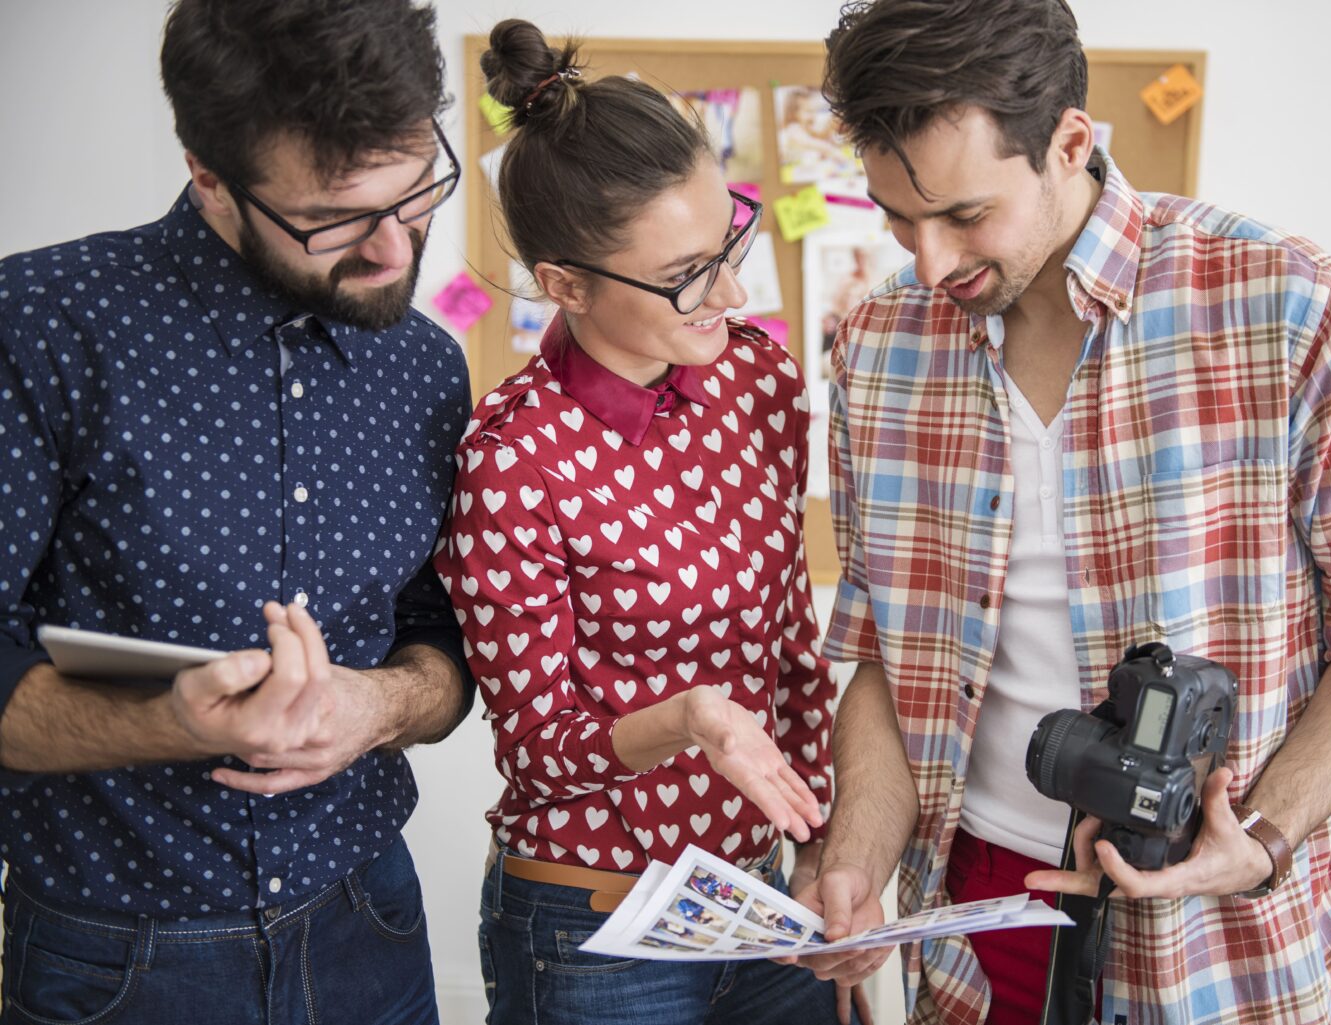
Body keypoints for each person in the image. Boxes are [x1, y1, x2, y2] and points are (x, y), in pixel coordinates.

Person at [787, 1, 1331, 1023]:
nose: (926, 262)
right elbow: (887, 658)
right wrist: (854, 856)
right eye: (895, 217)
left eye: (964, 215)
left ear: (1069, 142)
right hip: (973, 924)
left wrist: (1264, 835)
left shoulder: (1292, 304)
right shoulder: (878, 348)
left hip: (1224, 946)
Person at [0, 2, 473, 1022]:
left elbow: (444, 641)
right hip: (120, 954)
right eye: (339, 217)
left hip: (372, 924)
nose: (396, 249)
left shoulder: (428, 364)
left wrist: (377, 706)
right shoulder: (39, 325)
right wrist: (164, 721)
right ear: (209, 173)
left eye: (418, 190)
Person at [434, 20, 859, 1025]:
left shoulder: (755, 375)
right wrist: (689, 718)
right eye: (684, 277)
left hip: (759, 901)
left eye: (730, 244)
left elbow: (787, 641)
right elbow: (538, 746)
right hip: (596, 924)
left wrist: (821, 845)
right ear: (564, 286)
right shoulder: (511, 460)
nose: (733, 292)